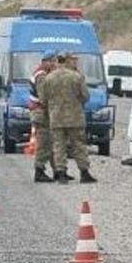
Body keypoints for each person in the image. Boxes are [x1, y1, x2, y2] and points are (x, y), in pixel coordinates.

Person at [37, 52, 95, 184]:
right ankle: (84, 173)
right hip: (75, 117)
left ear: (58, 61)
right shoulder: (77, 77)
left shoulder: (49, 78)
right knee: (79, 145)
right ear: (68, 61)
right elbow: (85, 96)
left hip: (56, 118)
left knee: (58, 146)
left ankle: (61, 173)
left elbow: (43, 99)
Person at [29, 50, 57, 183]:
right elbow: (43, 96)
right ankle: (39, 171)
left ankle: (57, 170)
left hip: (44, 112)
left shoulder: (45, 74)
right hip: (41, 112)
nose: (54, 64)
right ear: (45, 61)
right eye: (51, 61)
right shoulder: (41, 76)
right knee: (44, 143)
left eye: (54, 61)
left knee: (51, 143)